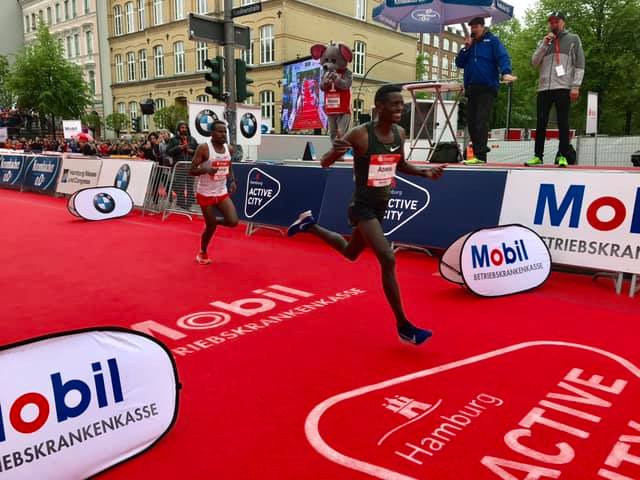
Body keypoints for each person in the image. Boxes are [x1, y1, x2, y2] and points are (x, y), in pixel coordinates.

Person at [287, 84, 445, 345]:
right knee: (387, 257)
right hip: (362, 206)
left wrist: (424, 173)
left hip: (381, 205)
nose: (400, 108)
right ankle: (404, 327)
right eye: (394, 104)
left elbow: (400, 163)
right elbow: (324, 162)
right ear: (379, 106)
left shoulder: (399, 133)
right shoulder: (360, 134)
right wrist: (336, 150)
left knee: (351, 253)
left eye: (402, 104)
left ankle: (309, 225)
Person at [526, 12, 585, 168]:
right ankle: (538, 156)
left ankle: (563, 156)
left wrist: (575, 86)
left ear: (563, 23)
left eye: (556, 22)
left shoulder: (573, 39)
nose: (553, 25)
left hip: (563, 87)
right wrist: (544, 44)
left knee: (563, 122)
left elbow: (580, 64)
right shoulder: (545, 41)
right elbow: (534, 62)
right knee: (541, 122)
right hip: (544, 88)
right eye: (551, 22)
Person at [455, 17, 516, 165]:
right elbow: (459, 63)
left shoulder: (492, 41)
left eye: (476, 27)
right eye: (472, 27)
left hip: (487, 87)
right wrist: (466, 48)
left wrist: (506, 72)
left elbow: (502, 56)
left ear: (483, 27)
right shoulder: (470, 45)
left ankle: (481, 156)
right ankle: (478, 151)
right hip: (471, 88)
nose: (473, 30)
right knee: (471, 122)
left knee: (481, 121)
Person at [190, 121, 239, 265]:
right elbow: (192, 170)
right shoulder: (204, 148)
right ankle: (202, 252)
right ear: (212, 133)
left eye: (225, 132)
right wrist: (206, 170)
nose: (223, 134)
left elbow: (229, 166)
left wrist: (233, 180)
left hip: (221, 191)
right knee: (211, 228)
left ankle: (212, 221)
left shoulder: (229, 149)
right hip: (205, 193)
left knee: (233, 221)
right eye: (220, 131)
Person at [167, 121, 198, 210]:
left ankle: (189, 205)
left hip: (190, 167)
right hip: (179, 167)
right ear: (178, 129)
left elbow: (198, 151)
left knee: (190, 187)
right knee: (179, 186)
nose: (184, 129)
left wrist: (191, 151)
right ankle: (181, 204)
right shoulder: (173, 140)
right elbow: (168, 152)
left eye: (185, 127)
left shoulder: (192, 139)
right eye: (182, 127)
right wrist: (178, 148)